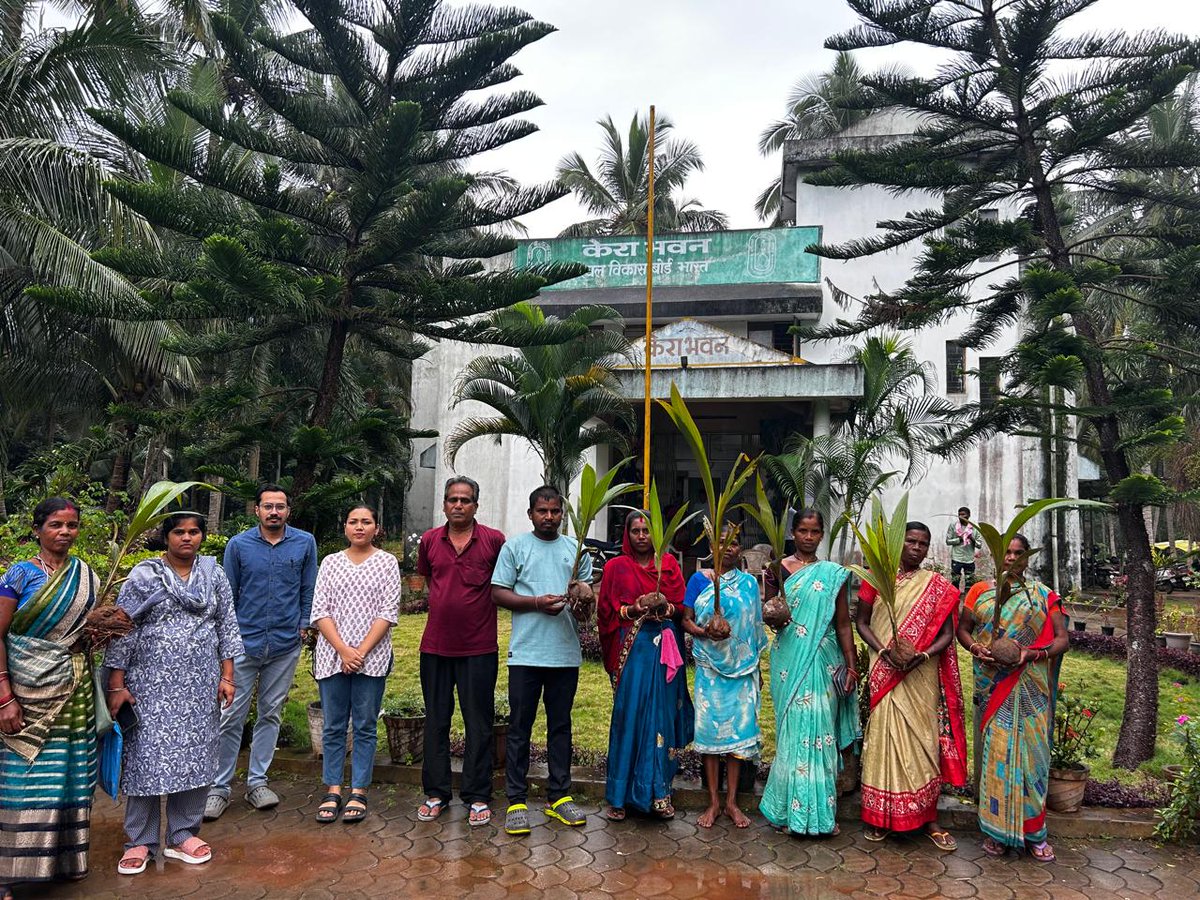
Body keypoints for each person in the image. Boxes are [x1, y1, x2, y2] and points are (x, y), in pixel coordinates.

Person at [105, 513, 242, 875]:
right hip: (149, 685)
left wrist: (227, 676)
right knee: (146, 761)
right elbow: (123, 628)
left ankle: (182, 835)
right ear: (165, 537)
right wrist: (116, 685)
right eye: (179, 532)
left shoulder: (214, 575)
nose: (187, 538)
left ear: (202, 536)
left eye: (194, 532)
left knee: (195, 758)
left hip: (199, 684)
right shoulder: (143, 576)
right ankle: (140, 841)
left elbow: (226, 623)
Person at [0, 499, 98, 899]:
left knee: (70, 772)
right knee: (22, 777)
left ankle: (64, 860)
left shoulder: (85, 576)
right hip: (25, 693)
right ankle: (8, 873)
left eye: (71, 525)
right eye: (56, 524)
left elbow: (81, 636)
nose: (64, 532)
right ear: (38, 528)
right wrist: (4, 696)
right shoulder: (18, 575)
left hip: (72, 691)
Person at [206, 484, 317, 820]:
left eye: (280, 507)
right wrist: (227, 638)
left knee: (271, 713)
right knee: (231, 716)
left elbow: (308, 587)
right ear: (256, 510)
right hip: (243, 643)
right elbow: (229, 595)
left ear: (288, 511)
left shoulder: (304, 543)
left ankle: (257, 782)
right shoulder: (239, 545)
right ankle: (219, 787)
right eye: (268, 506)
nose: (274, 512)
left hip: (284, 644)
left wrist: (303, 623)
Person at [956, 533, 1069, 862]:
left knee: (1033, 757)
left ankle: (1035, 832)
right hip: (993, 687)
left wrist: (1030, 655)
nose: (1012, 559)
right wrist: (976, 647)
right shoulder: (980, 592)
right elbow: (964, 629)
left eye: (1020, 554)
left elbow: (1062, 640)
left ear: (1027, 559)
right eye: (1007, 552)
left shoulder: (1042, 596)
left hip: (1030, 689)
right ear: (997, 555)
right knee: (996, 756)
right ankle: (996, 832)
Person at [855, 521, 966, 851]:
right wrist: (884, 650)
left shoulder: (937, 586)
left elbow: (947, 634)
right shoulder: (877, 579)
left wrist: (922, 654)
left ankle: (929, 817)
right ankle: (879, 818)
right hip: (885, 669)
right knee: (884, 739)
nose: (917, 548)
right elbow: (861, 622)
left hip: (920, 673)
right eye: (911, 542)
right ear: (898, 544)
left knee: (923, 742)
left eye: (923, 543)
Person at [492, 485, 593, 836]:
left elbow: (585, 612)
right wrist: (536, 603)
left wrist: (583, 603)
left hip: (564, 655)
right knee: (520, 727)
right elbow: (498, 592)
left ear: (562, 514)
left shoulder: (575, 551)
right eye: (541, 511)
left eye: (554, 511)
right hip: (526, 654)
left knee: (560, 727)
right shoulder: (515, 547)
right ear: (531, 513)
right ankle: (517, 800)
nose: (548, 516)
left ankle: (559, 796)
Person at [759, 510, 860, 837]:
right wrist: (774, 613)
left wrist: (851, 663)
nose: (808, 537)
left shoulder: (832, 574)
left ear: (821, 535)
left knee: (820, 734)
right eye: (802, 530)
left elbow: (843, 624)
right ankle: (789, 812)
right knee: (794, 731)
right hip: (790, 659)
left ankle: (819, 815)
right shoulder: (777, 570)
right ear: (793, 532)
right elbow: (768, 612)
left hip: (824, 659)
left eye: (815, 531)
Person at [415, 476, 505, 828]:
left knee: (478, 723)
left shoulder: (494, 541)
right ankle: (436, 793)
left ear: (475, 506)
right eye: (452, 499)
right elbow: (426, 580)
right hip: (434, 646)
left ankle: (478, 795)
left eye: (465, 500)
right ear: (444, 505)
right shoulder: (429, 541)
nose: (458, 505)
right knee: (436, 720)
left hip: (479, 648)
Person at [598, 511, 694, 822]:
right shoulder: (615, 567)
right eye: (636, 530)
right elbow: (606, 612)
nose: (642, 536)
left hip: (663, 651)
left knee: (660, 720)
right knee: (630, 716)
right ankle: (619, 796)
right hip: (632, 650)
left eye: (646, 530)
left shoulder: (667, 565)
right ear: (627, 534)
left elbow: (680, 608)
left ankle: (659, 793)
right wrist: (634, 608)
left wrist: (664, 606)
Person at [311, 505, 400, 825]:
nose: (359, 527)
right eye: (353, 522)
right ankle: (332, 788)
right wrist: (342, 650)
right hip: (332, 655)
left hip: (371, 657)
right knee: (334, 725)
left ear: (377, 527)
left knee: (364, 725)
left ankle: (359, 789)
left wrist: (359, 652)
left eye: (366, 522)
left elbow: (388, 612)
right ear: (345, 527)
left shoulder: (387, 562)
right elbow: (320, 611)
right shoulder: (331, 562)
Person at [681, 527, 766, 829]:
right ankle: (713, 802)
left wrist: (756, 669)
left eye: (733, 544)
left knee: (737, 737)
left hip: (743, 670)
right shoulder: (698, 580)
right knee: (711, 735)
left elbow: (755, 627)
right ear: (711, 546)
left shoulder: (748, 585)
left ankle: (731, 802)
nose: (727, 549)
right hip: (710, 669)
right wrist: (706, 632)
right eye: (721, 543)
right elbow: (686, 619)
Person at [946, 507, 981, 589]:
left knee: (969, 583)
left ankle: (967, 599)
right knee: (955, 582)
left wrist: (971, 538)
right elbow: (948, 541)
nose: (961, 516)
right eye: (959, 514)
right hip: (956, 558)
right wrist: (960, 539)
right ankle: (955, 599)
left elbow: (979, 545)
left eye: (963, 514)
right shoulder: (953, 526)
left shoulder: (974, 528)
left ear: (969, 515)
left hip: (969, 559)